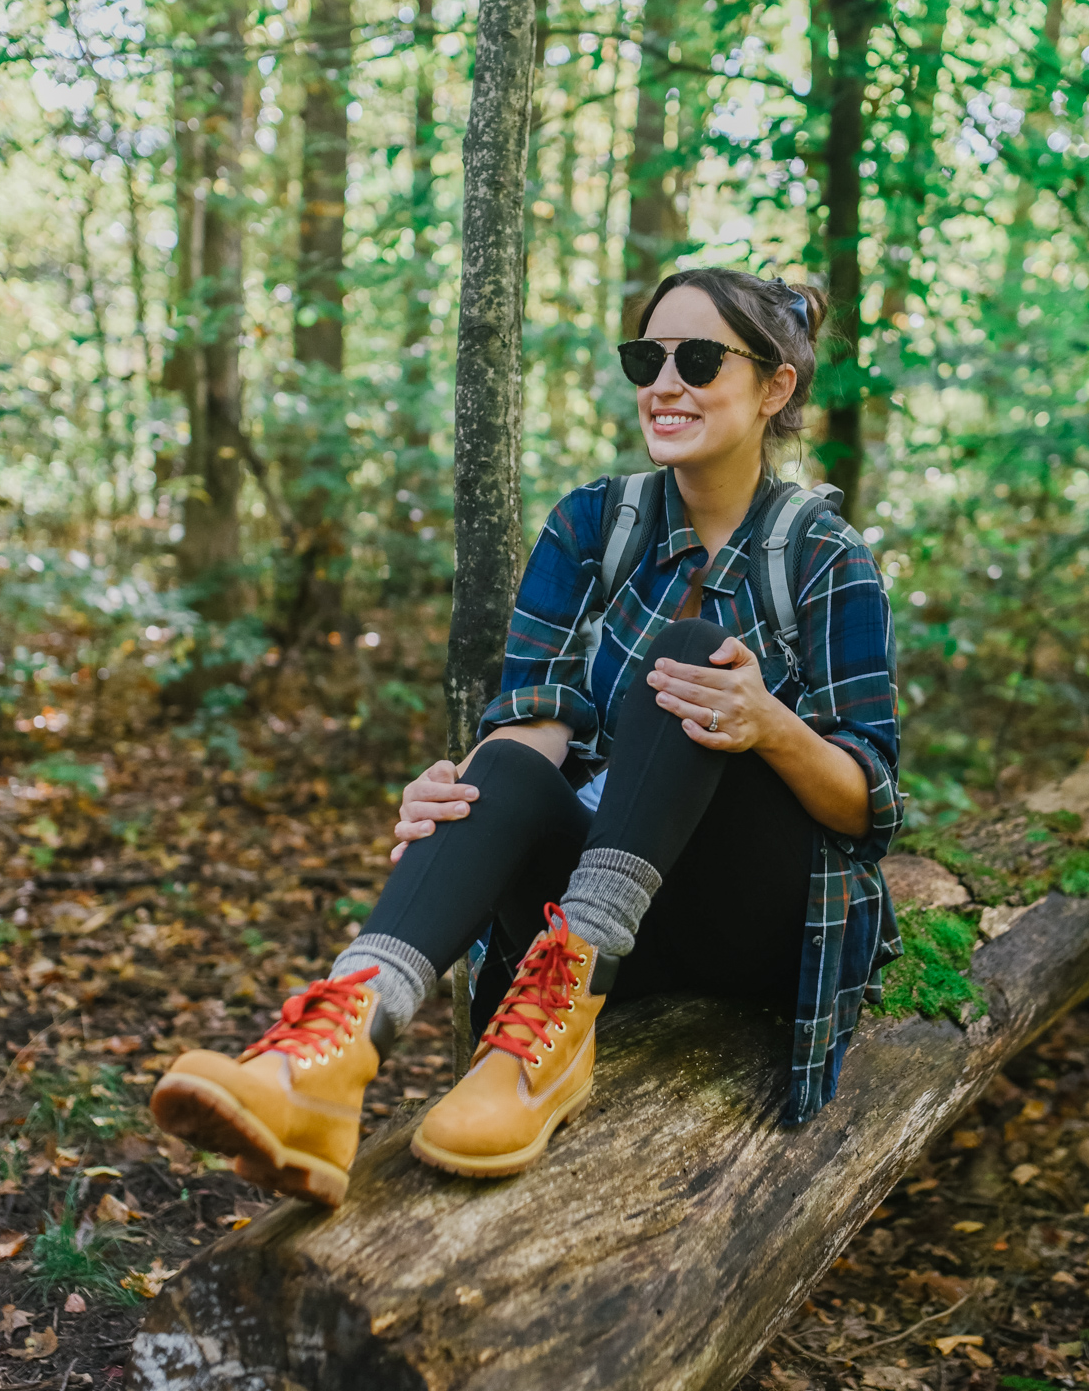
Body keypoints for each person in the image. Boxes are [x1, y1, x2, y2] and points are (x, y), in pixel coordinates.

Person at [150, 267, 903, 1208]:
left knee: (694, 654)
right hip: (595, 918)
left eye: (699, 359)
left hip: (750, 924)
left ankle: (550, 1031)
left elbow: (869, 805)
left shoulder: (828, 557)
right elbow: (537, 720)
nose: (664, 383)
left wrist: (770, 726)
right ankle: (324, 1067)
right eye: (647, 358)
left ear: (775, 388)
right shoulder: (592, 525)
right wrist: (471, 797)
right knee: (501, 759)